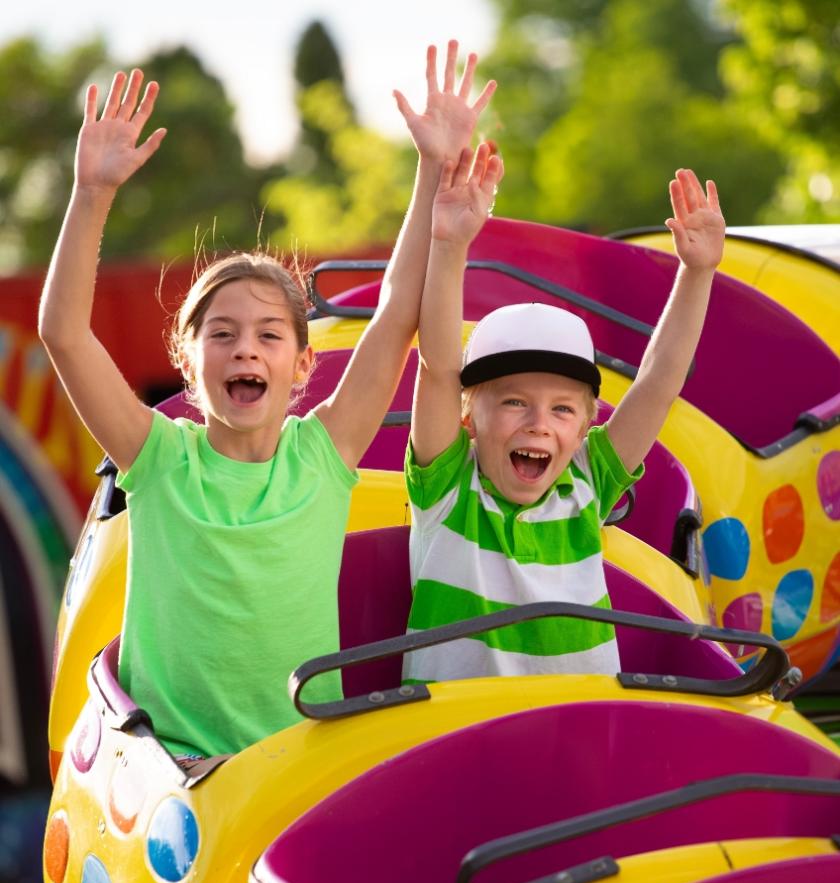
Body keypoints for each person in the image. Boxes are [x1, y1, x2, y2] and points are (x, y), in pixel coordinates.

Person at [39, 42, 496, 759]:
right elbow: (63, 333)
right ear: (188, 364)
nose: (245, 348)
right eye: (221, 334)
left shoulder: (323, 452)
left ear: (302, 364)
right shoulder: (158, 458)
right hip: (177, 774)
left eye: (267, 335)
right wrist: (91, 195)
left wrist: (432, 169)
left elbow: (395, 315)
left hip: (296, 766)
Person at [403, 163, 725, 683]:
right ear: (469, 417)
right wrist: (449, 244)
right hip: (457, 740)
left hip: (576, 730)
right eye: (513, 402)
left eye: (561, 409)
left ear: (582, 429)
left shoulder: (586, 482)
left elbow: (658, 384)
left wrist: (697, 272)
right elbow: (439, 367)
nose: (538, 424)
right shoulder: (448, 490)